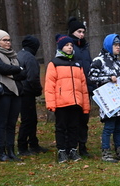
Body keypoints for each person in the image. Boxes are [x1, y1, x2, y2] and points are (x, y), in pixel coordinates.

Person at [45, 34, 90, 163]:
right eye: (66, 45)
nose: (69, 47)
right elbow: (49, 85)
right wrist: (51, 103)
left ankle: (72, 149)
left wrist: (85, 105)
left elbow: (83, 87)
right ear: (60, 47)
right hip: (61, 102)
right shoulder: (54, 63)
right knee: (61, 127)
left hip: (76, 102)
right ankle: (62, 151)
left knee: (74, 127)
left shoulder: (77, 64)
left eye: (71, 45)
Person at [0, 29, 26, 161]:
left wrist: (15, 71)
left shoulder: (12, 55)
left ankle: (11, 151)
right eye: (4, 40)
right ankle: (1, 153)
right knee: (2, 122)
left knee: (12, 123)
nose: (8, 43)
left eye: (9, 40)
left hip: (16, 91)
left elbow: (24, 74)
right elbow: (1, 68)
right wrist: (17, 70)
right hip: (1, 92)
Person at [89, 34, 120, 163]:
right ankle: (106, 152)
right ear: (108, 45)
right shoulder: (99, 61)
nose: (118, 47)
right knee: (109, 127)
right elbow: (91, 77)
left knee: (119, 128)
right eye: (115, 45)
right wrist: (109, 78)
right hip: (108, 100)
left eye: (119, 45)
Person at [68, 17, 96, 156]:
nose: (82, 34)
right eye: (79, 31)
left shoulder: (85, 48)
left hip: (86, 89)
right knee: (73, 120)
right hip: (73, 89)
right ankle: (71, 147)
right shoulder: (69, 47)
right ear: (73, 32)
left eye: (83, 32)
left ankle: (82, 146)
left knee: (84, 119)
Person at [17, 35, 48, 156]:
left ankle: (33, 143)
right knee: (29, 120)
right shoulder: (30, 58)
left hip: (20, 91)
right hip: (27, 93)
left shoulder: (19, 55)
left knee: (29, 119)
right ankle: (23, 147)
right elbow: (32, 78)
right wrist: (38, 90)